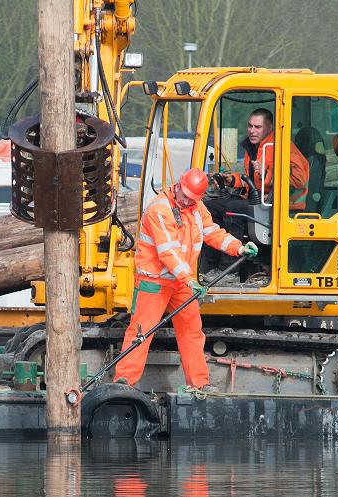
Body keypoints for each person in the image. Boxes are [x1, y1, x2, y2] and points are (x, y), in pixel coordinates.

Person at [113, 169, 258, 392]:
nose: (185, 200)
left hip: (182, 283)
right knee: (141, 331)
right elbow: (168, 252)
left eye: (191, 198)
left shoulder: (197, 208)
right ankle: (123, 381)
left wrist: (238, 247)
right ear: (178, 185)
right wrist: (190, 280)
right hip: (155, 280)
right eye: (184, 194)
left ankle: (199, 383)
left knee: (192, 332)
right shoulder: (159, 209)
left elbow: (213, 233)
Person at [200, 108, 310, 279]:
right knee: (208, 207)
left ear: (270, 127)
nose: (252, 130)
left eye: (257, 127)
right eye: (250, 126)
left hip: (282, 205)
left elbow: (299, 180)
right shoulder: (254, 148)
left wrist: (268, 175)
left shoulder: (283, 147)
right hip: (259, 201)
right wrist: (233, 180)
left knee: (233, 210)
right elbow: (253, 181)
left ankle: (228, 271)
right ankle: (211, 268)